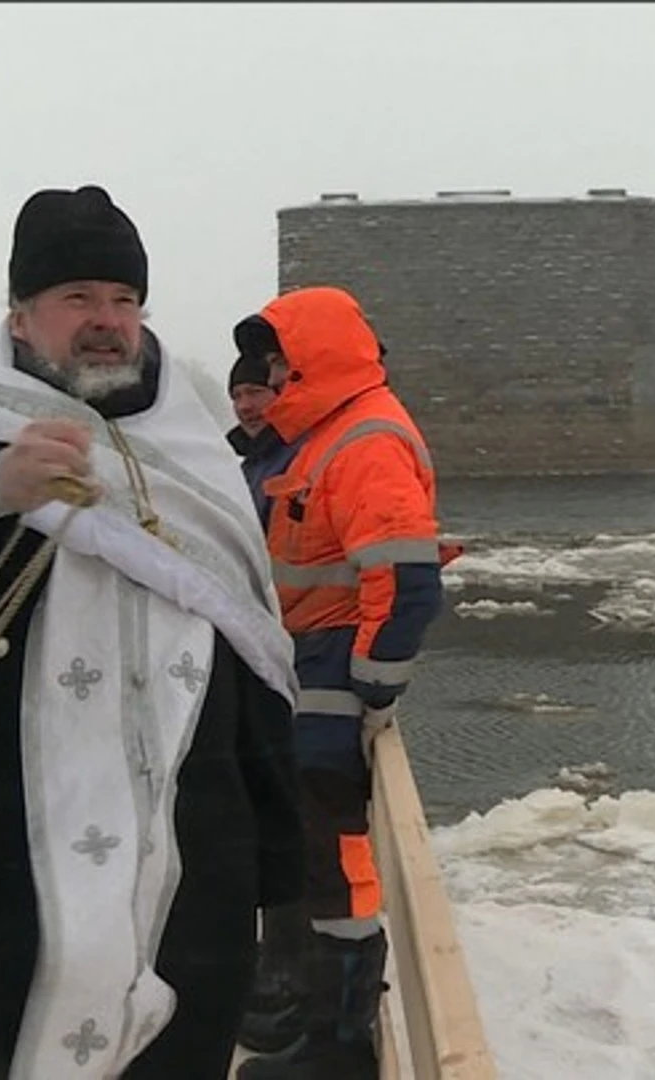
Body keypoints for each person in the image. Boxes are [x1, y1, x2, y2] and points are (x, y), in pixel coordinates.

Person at [0, 184, 305, 1080]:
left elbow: (256, 644)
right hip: (5, 827)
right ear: (21, 318)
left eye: (123, 300)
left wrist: (272, 855)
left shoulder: (195, 453)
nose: (106, 321)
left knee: (182, 1032)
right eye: (77, 299)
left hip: (188, 826)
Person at [231, 286, 447, 1080]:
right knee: (315, 865)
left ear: (312, 355)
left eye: (283, 358)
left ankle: (340, 1049)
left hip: (327, 694)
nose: (275, 373)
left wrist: (372, 692)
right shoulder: (321, 437)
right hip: (301, 687)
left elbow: (408, 583)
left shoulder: (363, 440)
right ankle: (321, 1028)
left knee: (336, 874)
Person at [224, 352, 296, 522]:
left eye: (255, 392)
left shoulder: (303, 457)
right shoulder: (246, 469)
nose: (244, 406)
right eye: (236, 396)